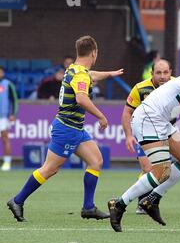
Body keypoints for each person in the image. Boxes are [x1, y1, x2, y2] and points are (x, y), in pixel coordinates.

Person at [7, 35, 124, 222]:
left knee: (96, 161)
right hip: (67, 129)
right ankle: (17, 200)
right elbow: (81, 98)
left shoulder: (74, 69)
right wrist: (101, 116)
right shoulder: (80, 75)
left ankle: (88, 207)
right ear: (94, 53)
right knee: (50, 169)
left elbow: (91, 76)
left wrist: (109, 74)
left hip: (75, 129)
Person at [107, 55, 180, 232]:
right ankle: (119, 204)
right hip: (147, 119)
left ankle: (152, 199)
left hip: (161, 122)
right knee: (162, 171)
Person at [121, 59, 174, 214]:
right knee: (148, 167)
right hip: (145, 132)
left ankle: (150, 200)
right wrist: (128, 135)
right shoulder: (140, 88)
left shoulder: (177, 86)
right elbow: (127, 112)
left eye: (166, 72)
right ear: (152, 74)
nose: (163, 76)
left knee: (165, 170)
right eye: (158, 73)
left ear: (170, 72)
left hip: (167, 131)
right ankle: (142, 202)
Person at [0, 66, 18, 171]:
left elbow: (14, 100)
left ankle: (7, 162)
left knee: (5, 138)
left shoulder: (8, 84)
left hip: (3, 117)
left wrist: (13, 114)